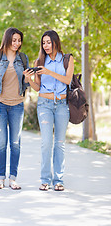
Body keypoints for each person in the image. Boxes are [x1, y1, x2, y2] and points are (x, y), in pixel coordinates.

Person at [23, 30, 74, 191]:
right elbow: (38, 88)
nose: (46, 45)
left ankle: (58, 180)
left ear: (55, 42)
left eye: (48, 42)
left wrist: (48, 72)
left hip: (61, 105)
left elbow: (67, 80)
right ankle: (45, 179)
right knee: (46, 142)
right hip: (44, 104)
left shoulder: (67, 59)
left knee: (59, 143)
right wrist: (29, 79)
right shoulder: (39, 60)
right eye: (43, 43)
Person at [0, 27, 30, 190]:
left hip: (17, 105)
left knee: (16, 143)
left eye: (19, 40)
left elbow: (25, 84)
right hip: (0, 105)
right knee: (2, 143)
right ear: (7, 39)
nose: (17, 43)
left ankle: (13, 178)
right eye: (14, 40)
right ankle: (0, 178)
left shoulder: (23, 59)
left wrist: (28, 78)